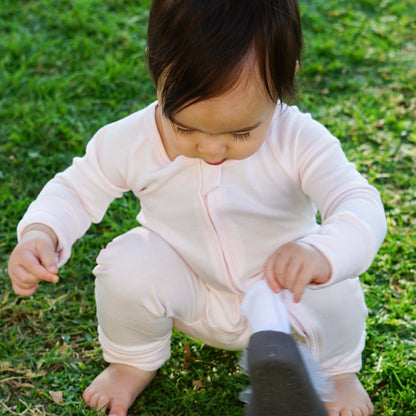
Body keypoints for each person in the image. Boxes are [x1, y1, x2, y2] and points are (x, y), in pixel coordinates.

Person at [7, 0, 386, 415]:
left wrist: (322, 253)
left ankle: (335, 375)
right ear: (156, 72)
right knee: (126, 263)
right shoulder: (132, 140)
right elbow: (77, 189)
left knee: (334, 287)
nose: (210, 148)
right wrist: (42, 232)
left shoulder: (299, 141)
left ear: (284, 80)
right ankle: (132, 362)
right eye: (184, 127)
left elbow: (358, 203)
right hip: (191, 289)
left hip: (283, 298)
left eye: (241, 132)